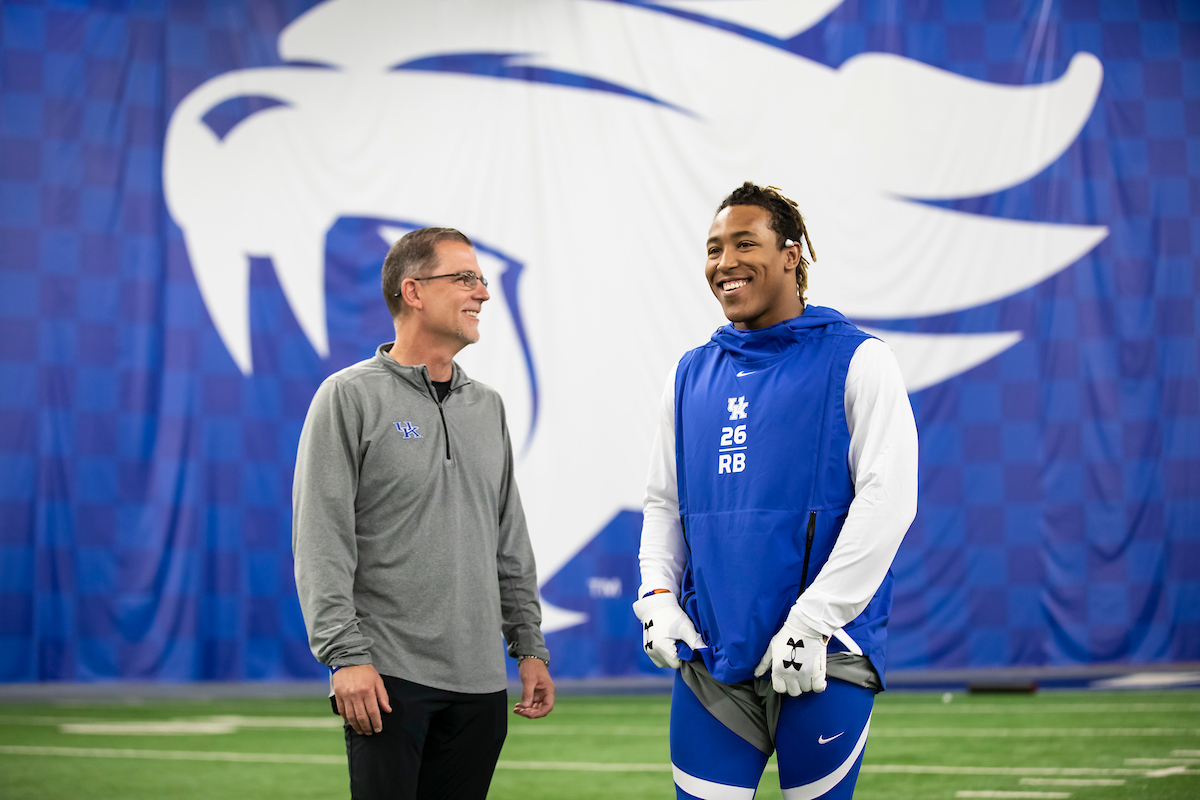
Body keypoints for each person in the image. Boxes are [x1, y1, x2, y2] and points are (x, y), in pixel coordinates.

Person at [634, 183, 918, 799]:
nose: (724, 262)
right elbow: (663, 504)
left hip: (822, 653)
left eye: (744, 243)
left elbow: (888, 501)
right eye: (713, 248)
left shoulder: (861, 360)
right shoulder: (687, 374)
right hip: (714, 656)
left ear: (792, 255)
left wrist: (814, 621)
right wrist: (657, 597)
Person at [293, 226, 554, 800]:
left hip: (482, 684)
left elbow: (508, 537)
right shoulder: (347, 397)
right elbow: (321, 541)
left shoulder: (488, 407)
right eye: (464, 278)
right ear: (412, 291)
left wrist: (529, 646)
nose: (483, 293)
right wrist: (345, 658)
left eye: (481, 281)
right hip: (387, 678)